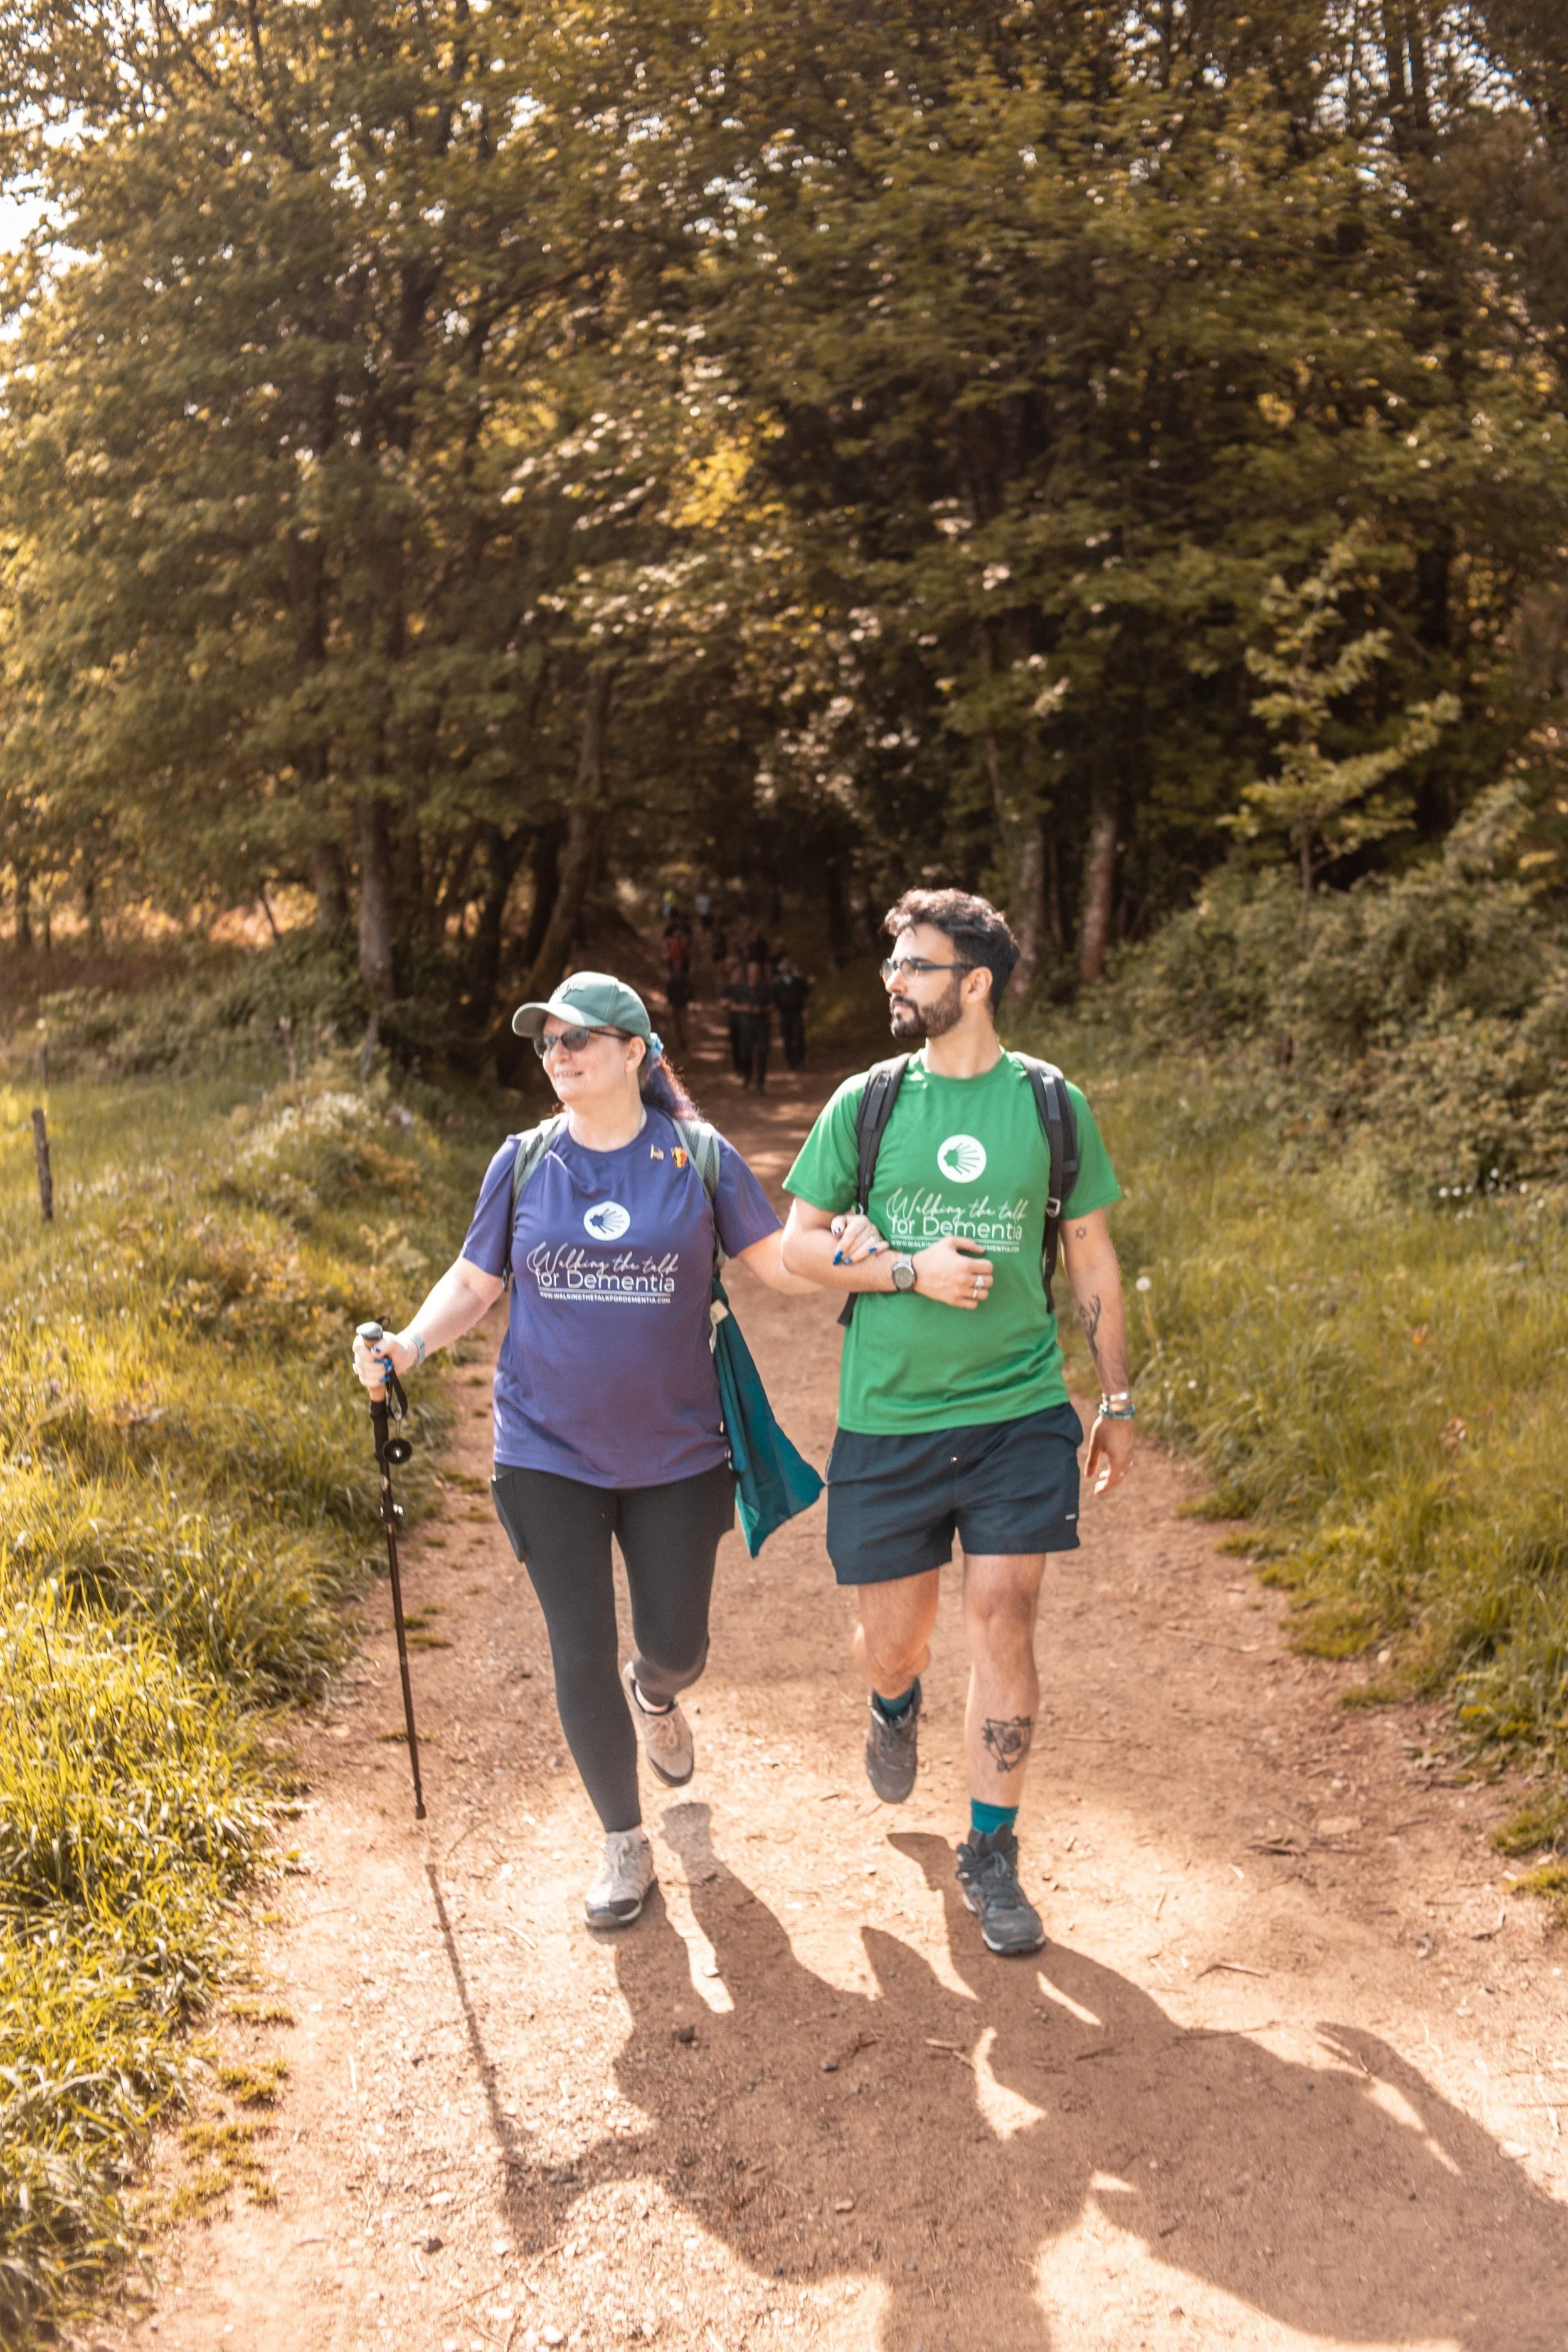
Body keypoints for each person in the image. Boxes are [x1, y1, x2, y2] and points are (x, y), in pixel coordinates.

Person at [351, 972, 820, 1931]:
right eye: (547, 1042)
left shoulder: (697, 1156)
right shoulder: (524, 1160)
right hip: (545, 1449)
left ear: (636, 1054)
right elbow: (477, 1280)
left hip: (680, 1453)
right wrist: (406, 1344)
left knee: (674, 1645)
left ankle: (658, 1696)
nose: (558, 1055)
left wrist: (870, 1252)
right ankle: (622, 1839)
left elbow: (778, 1263)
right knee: (579, 1645)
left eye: (580, 1039)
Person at [780, 889, 1136, 1959]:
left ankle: (992, 1847)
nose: (895, 980)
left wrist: (1115, 1398)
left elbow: (1092, 1256)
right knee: (898, 1642)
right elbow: (796, 1249)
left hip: (1018, 1407)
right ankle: (895, 1707)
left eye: (916, 966)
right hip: (885, 1417)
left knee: (1004, 1616)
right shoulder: (869, 1102)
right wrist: (905, 1271)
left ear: (974, 983)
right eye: (895, 965)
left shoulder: (1051, 1105)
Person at [736, 958, 772, 1093]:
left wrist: (762, 1010)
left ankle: (760, 1082)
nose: (754, 974)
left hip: (762, 1025)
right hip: (746, 1025)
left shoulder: (765, 989)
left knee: (762, 1053)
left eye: (756, 972)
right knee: (745, 1053)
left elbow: (772, 1006)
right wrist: (745, 1008)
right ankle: (747, 1077)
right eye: (752, 971)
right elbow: (732, 1005)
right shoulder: (742, 989)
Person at [771, 953, 812, 1071]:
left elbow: (807, 992)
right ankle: (790, 1061)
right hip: (784, 1014)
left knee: (799, 1036)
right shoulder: (777, 984)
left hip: (797, 1013)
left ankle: (800, 1059)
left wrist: (807, 1004)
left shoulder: (798, 981)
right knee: (787, 1037)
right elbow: (774, 999)